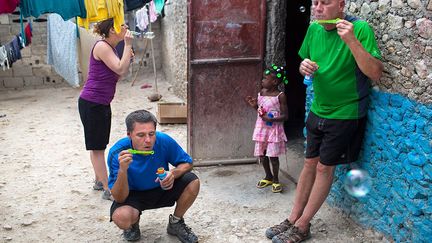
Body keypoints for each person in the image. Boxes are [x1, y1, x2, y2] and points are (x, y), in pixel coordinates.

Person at [266, 0, 383, 242]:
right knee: (309, 164)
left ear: (341, 6)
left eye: (325, 3)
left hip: (345, 112)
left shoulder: (360, 29)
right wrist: (303, 67)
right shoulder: (314, 29)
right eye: (315, 3)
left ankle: (303, 225)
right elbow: (304, 65)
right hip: (318, 109)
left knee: (323, 167)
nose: (317, 8)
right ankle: (292, 218)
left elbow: (375, 73)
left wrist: (351, 41)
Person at [107, 110, 200, 242]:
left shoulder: (163, 140)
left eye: (151, 134)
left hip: (162, 187)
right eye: (140, 135)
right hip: (133, 194)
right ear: (129, 134)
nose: (148, 140)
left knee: (193, 181)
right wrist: (123, 170)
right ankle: (133, 225)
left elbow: (188, 163)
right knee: (121, 218)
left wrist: (172, 174)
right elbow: (119, 197)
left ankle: (176, 222)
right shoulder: (117, 153)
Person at [78, 18, 134, 200]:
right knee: (97, 148)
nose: (126, 27)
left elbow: (121, 72)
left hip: (101, 102)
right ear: (111, 30)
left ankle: (97, 180)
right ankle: (107, 188)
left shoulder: (110, 48)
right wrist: (127, 45)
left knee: (100, 143)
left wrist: (127, 54)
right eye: (122, 25)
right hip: (92, 102)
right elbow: (119, 67)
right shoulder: (102, 46)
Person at [245, 64, 288, 193]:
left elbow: (285, 116)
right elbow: (261, 110)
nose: (262, 80)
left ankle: (275, 179)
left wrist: (272, 120)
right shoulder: (261, 93)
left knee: (273, 157)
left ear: (274, 82)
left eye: (265, 78)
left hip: (273, 130)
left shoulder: (280, 96)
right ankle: (268, 176)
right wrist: (254, 106)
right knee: (263, 155)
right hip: (261, 129)